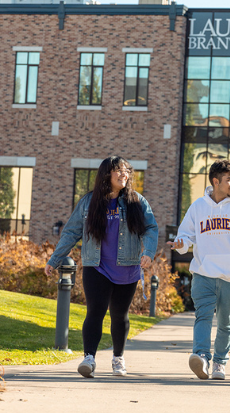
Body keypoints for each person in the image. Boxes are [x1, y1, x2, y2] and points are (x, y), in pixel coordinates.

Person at [45, 156, 158, 378]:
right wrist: (55, 259)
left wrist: (148, 252)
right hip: (96, 266)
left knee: (119, 315)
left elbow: (151, 228)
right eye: (118, 170)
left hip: (127, 267)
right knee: (95, 312)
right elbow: (71, 231)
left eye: (126, 171)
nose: (123, 174)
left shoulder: (137, 201)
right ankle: (89, 358)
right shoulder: (89, 202)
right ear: (107, 174)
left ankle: (118, 358)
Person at [168, 160, 230, 380]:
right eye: (229, 180)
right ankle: (201, 357)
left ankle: (220, 363)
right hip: (203, 272)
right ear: (215, 181)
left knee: (226, 323)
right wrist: (181, 244)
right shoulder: (198, 206)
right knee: (203, 318)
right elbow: (186, 234)